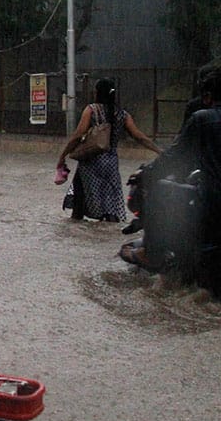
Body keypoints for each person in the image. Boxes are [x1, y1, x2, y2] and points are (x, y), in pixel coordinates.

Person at [119, 69, 221, 293]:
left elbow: (176, 155)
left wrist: (147, 173)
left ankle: (152, 253)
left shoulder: (202, 118)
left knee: (162, 189)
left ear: (206, 97)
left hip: (211, 200)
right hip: (205, 192)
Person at [57, 78, 161, 222]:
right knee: (111, 204)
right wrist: (159, 150)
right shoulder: (123, 115)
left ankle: (80, 231)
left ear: (97, 93)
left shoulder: (91, 110)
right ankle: (109, 232)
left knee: (79, 202)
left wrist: (63, 156)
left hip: (90, 162)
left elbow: (78, 135)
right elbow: (139, 136)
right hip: (111, 164)